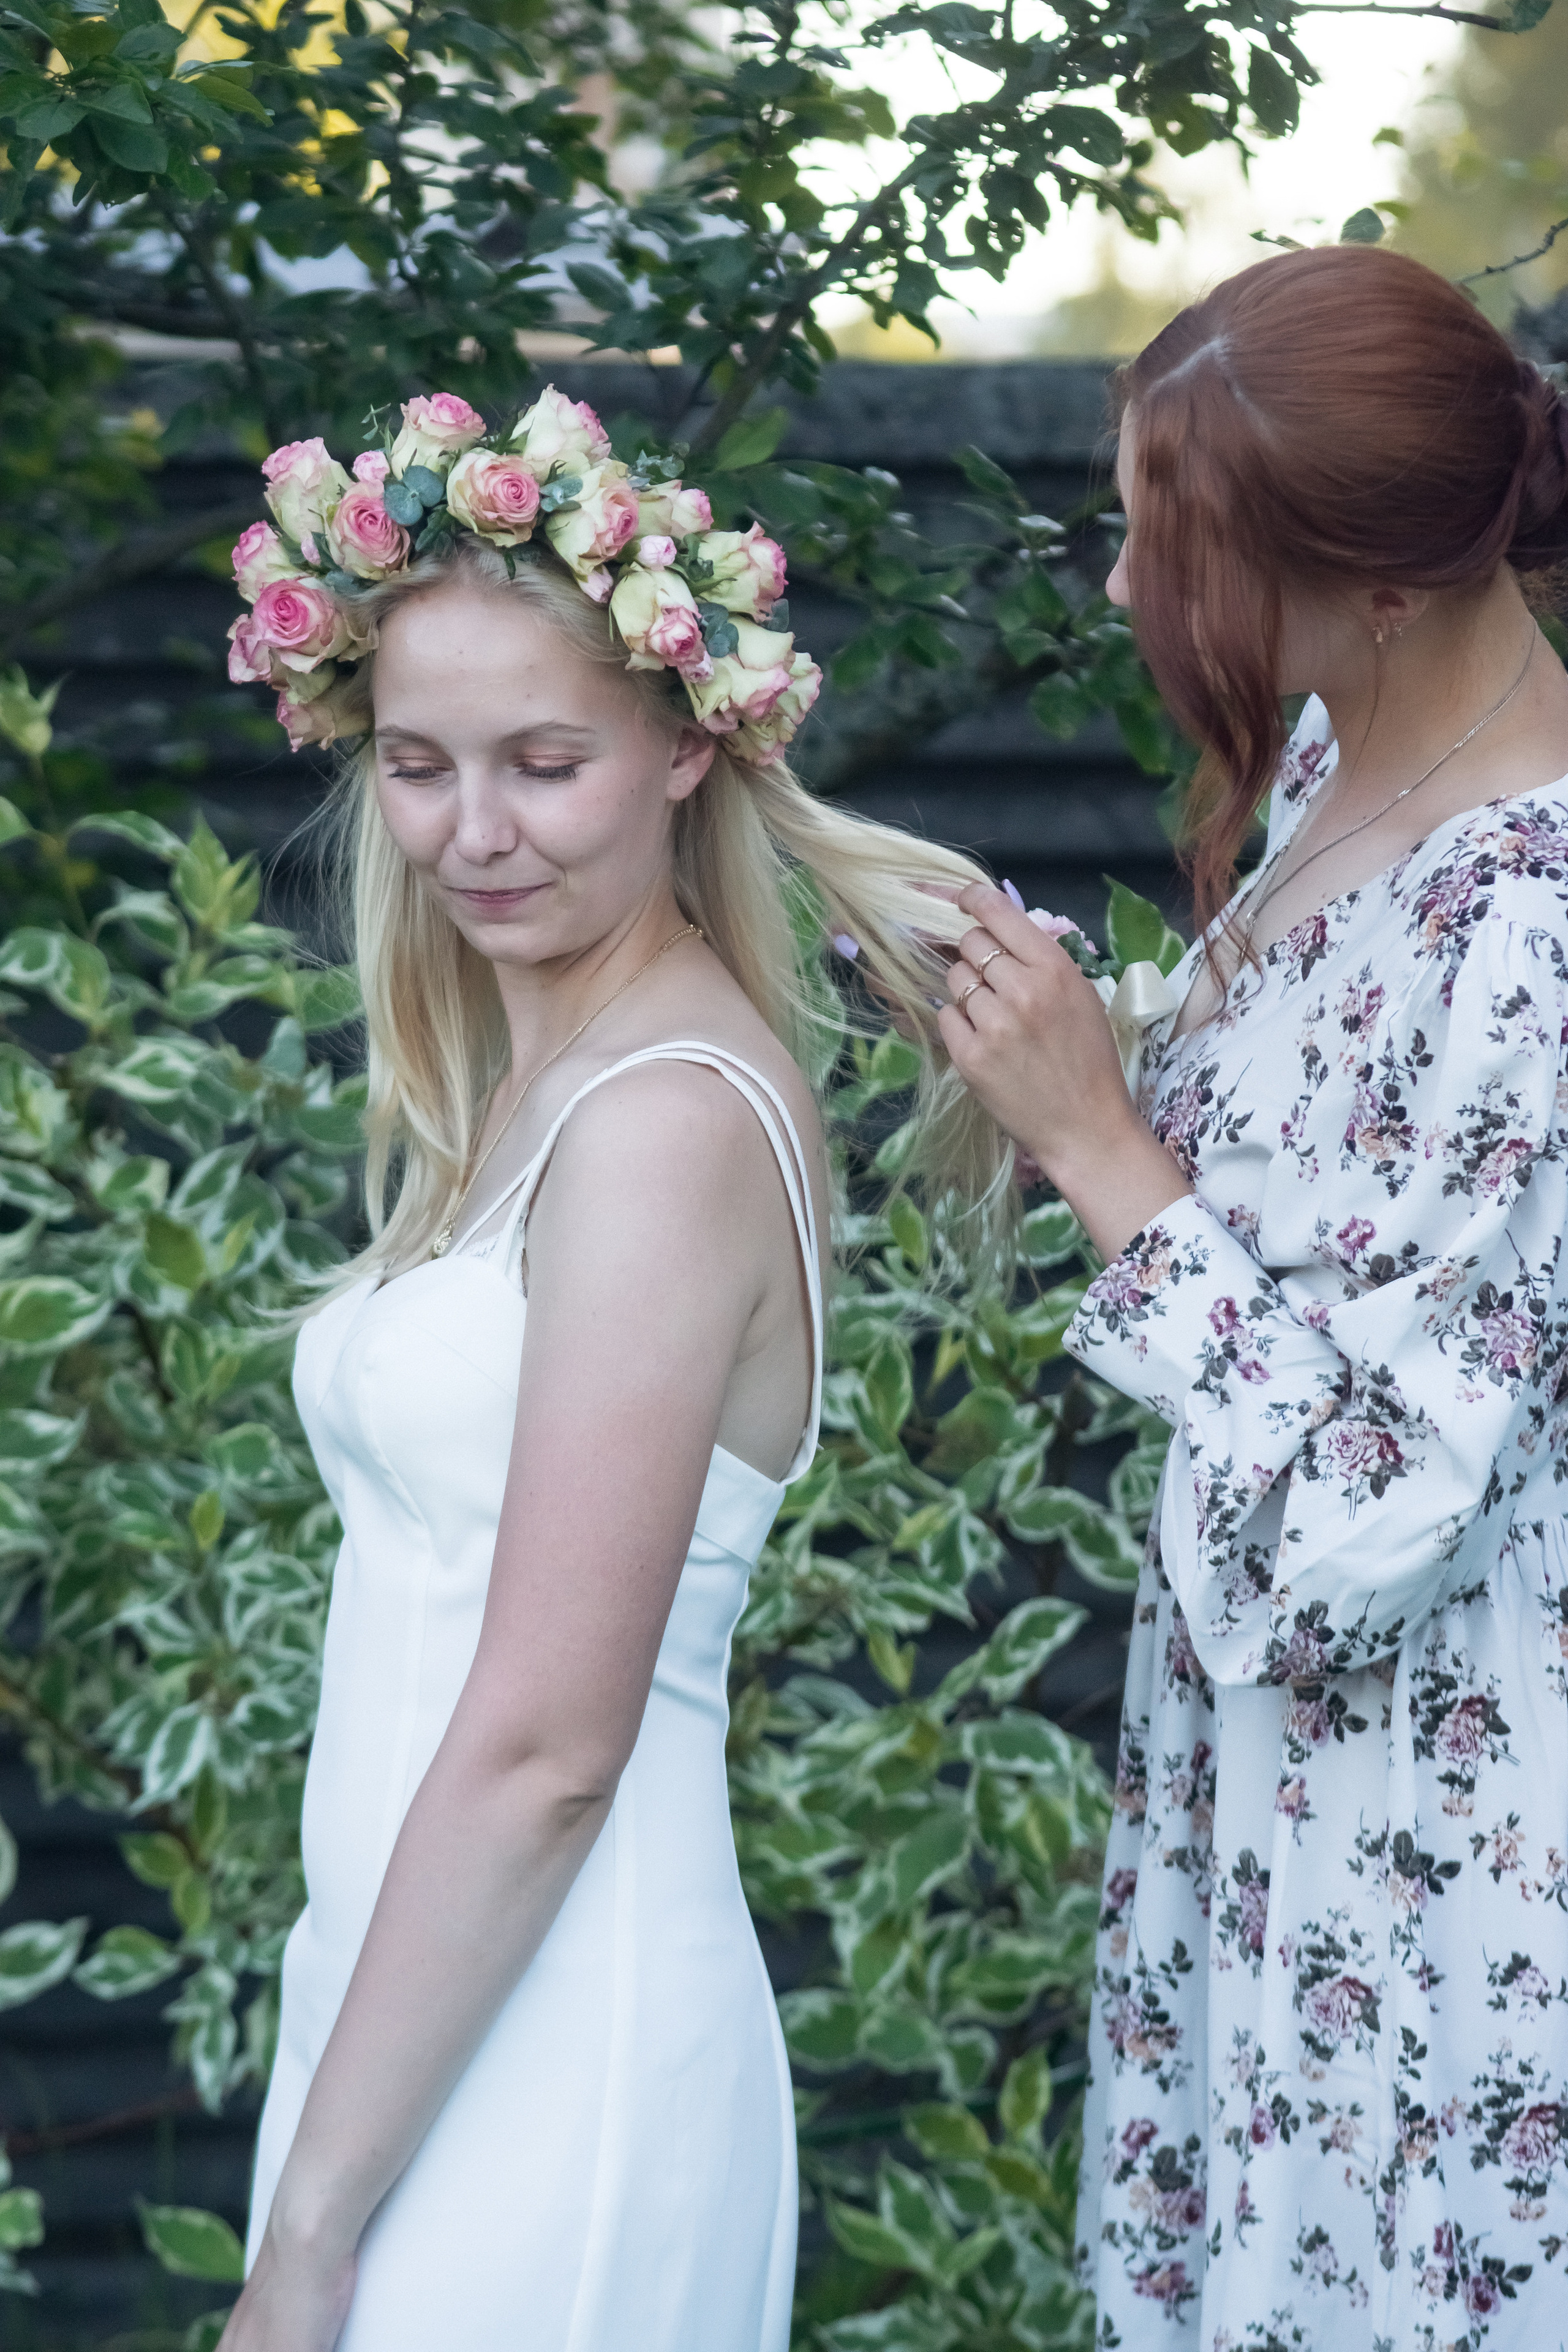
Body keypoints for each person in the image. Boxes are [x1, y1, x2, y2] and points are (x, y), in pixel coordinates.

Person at [219, 388, 1011, 2351]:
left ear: (683, 746)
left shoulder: (661, 1123)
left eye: (546, 764)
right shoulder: (541, 1086)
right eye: (419, 766)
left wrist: (310, 2230)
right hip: (412, 2024)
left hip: (556, 2054)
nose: (472, 833)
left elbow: (552, 1747)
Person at [937, 246, 1568, 2347]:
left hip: (1440, 1835)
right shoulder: (1332, 766)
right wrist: (1036, 1044)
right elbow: (1306, 1203)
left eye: (1176, 553)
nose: (1127, 589)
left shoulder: (1539, 931)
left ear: (1380, 585)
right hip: (1276, 1783)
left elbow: (1375, 1519)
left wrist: (1100, 1148)